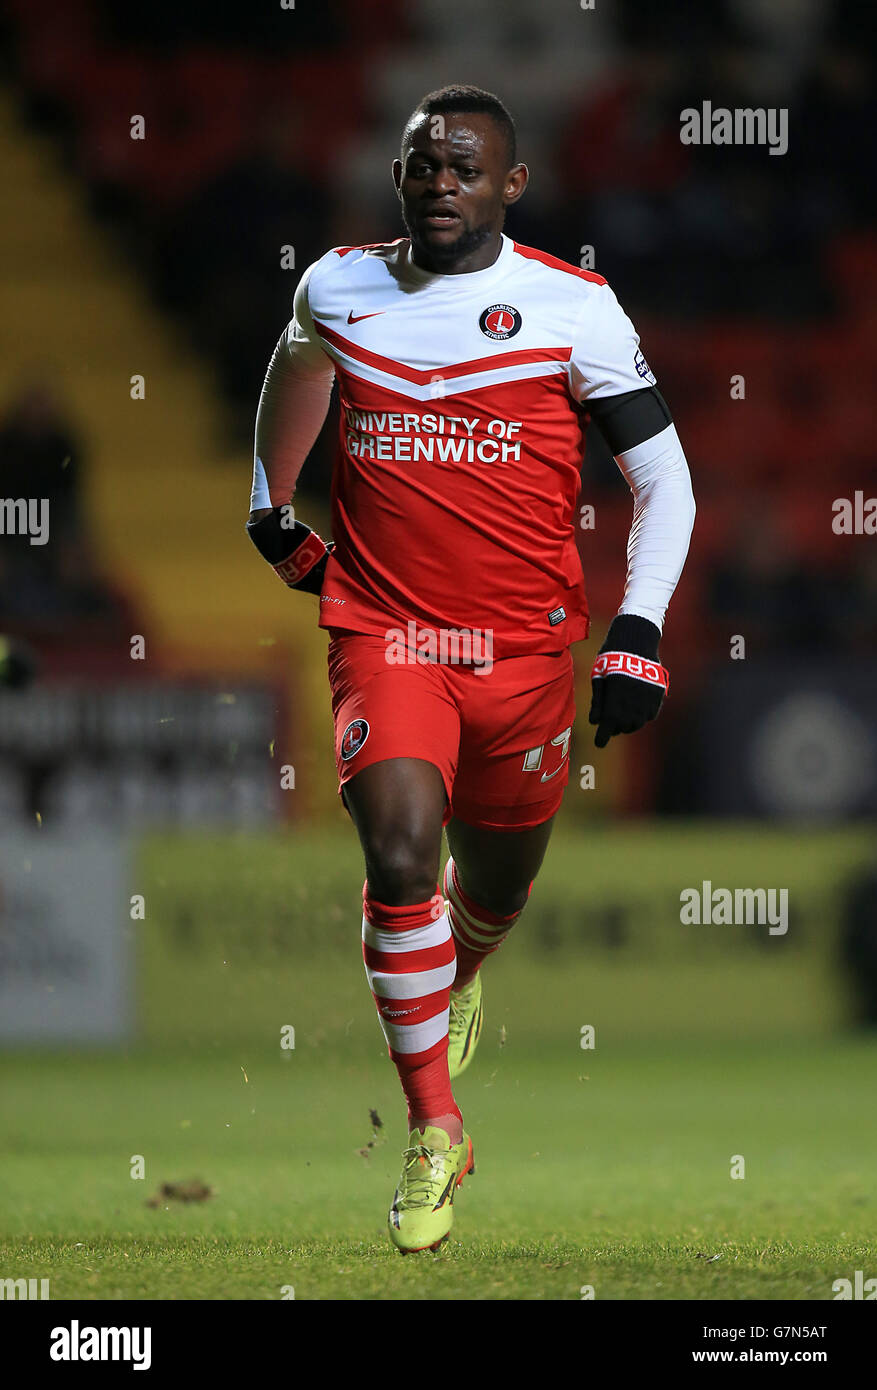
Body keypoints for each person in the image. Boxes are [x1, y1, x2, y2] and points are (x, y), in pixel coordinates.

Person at [247, 85, 695, 1253]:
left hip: (526, 652)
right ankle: (434, 1128)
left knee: (488, 889)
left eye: (463, 167)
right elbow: (295, 370)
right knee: (399, 853)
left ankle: (467, 958)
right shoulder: (336, 286)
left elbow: (665, 482)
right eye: (421, 165)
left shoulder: (573, 308)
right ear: (398, 176)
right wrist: (268, 498)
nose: (440, 183)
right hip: (387, 633)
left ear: (510, 185)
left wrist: (637, 630)